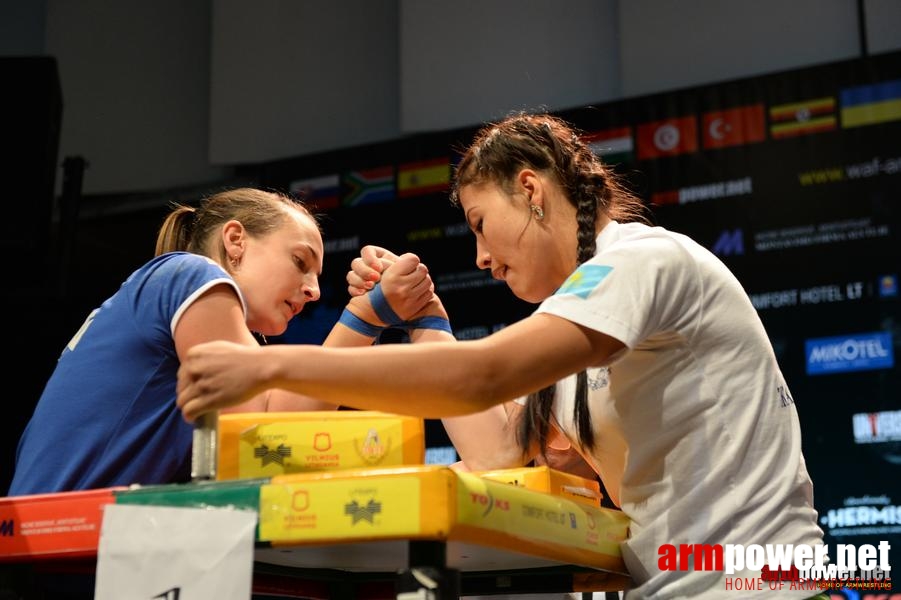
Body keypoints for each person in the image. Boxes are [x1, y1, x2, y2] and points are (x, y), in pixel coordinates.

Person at [176, 115, 826, 599]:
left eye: (482, 224)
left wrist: (271, 365)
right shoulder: (581, 332)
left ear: (532, 190)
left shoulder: (642, 261)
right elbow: (498, 450)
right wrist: (424, 315)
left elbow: (481, 375)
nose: (481, 258)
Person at [8, 187, 437, 496]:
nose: (314, 290)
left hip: (60, 553)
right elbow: (263, 431)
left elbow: (278, 416)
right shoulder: (193, 274)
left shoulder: (166, 288)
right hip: (56, 556)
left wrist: (366, 315)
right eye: (300, 262)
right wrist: (364, 317)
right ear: (235, 241)